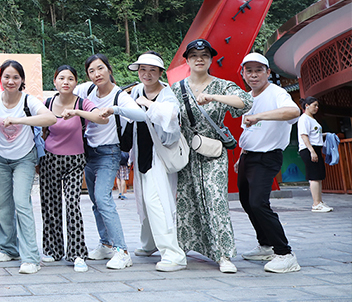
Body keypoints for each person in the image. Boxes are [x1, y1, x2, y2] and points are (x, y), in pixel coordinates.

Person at [170, 39, 252, 273]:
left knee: (216, 200)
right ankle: (183, 248)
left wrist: (214, 97)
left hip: (213, 151)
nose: (199, 59)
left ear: (210, 59)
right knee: (187, 200)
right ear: (187, 60)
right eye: (194, 55)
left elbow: (246, 102)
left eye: (204, 55)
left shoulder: (222, 86)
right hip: (187, 151)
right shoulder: (176, 88)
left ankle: (223, 254)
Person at [0, 60, 57, 274]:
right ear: (1, 79)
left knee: (21, 203)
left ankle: (31, 258)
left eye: (15, 77)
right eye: (6, 77)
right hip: (0, 157)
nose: (11, 81)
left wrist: (21, 120)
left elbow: (50, 118)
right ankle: (9, 249)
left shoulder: (28, 101)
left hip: (24, 158)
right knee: (1, 204)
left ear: (22, 80)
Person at [75, 53, 145, 270]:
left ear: (109, 69)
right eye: (91, 71)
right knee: (96, 202)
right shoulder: (86, 90)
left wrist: (115, 110)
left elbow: (141, 115)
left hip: (109, 153)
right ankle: (105, 244)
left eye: (100, 68)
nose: (97, 74)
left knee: (103, 199)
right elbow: (66, 91)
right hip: (89, 153)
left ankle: (122, 251)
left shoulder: (119, 96)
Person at [238, 52, 302, 273]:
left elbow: (294, 111)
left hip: (267, 156)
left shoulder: (276, 92)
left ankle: (285, 254)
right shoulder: (247, 97)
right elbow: (249, 130)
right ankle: (266, 245)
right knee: (247, 202)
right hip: (248, 156)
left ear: (268, 72)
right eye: (249, 71)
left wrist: (260, 116)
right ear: (243, 73)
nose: (254, 75)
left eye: (259, 70)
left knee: (258, 203)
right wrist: (242, 155)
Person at [126, 52, 187, 272]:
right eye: (143, 69)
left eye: (152, 70)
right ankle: (149, 243)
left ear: (160, 73)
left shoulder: (166, 95)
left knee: (157, 201)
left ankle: (174, 254)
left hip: (159, 155)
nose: (147, 74)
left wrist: (146, 103)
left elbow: (171, 117)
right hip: (141, 153)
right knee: (144, 200)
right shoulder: (136, 90)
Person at [40, 65, 105, 272]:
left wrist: (77, 112)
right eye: (61, 78)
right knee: (50, 205)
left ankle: (77, 253)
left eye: (70, 78)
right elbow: (40, 129)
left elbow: (100, 117)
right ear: (54, 82)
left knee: (72, 205)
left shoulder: (82, 102)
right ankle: (53, 250)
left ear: (76, 82)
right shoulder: (47, 103)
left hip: (75, 161)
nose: (65, 82)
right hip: (50, 159)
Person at [298, 96, 333, 213]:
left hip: (316, 147)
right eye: (314, 105)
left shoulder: (312, 119)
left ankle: (319, 201)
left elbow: (314, 134)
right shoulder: (304, 119)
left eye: (318, 106)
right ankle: (316, 204)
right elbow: (304, 136)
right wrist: (311, 151)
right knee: (314, 176)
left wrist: (326, 135)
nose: (317, 108)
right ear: (307, 106)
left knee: (318, 176)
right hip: (309, 148)